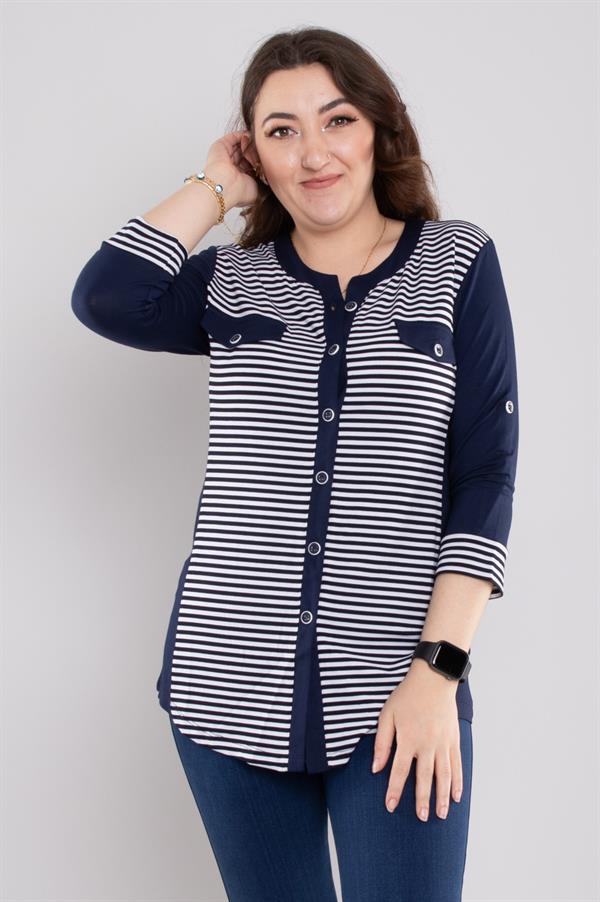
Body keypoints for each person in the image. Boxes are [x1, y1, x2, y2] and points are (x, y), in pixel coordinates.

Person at [71, 26, 519, 902]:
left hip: (398, 694)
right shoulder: (229, 280)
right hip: (224, 684)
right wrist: (215, 185)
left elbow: (486, 476)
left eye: (337, 119)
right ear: (257, 153)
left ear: (380, 128)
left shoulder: (456, 262)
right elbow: (107, 296)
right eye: (281, 131)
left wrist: (438, 673)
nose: (314, 153)